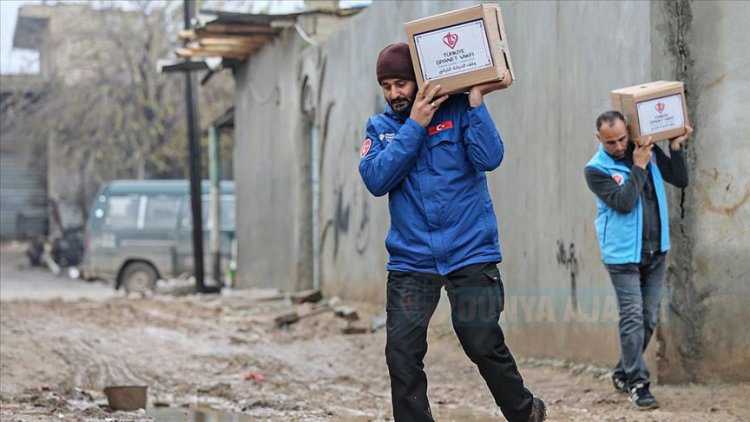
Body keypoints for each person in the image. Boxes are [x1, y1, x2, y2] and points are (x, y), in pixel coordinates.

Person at [358, 42, 546, 422]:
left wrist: (476, 102)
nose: (395, 93)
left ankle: (525, 413)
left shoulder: (460, 112)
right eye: (387, 86)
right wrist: (415, 125)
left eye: (401, 84)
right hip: (412, 259)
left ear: (420, 81)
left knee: (481, 341)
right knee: (402, 353)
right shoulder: (380, 128)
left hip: (469, 250)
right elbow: (377, 180)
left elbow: (489, 158)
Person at [584, 110, 692, 410]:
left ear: (628, 131)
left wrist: (674, 147)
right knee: (632, 317)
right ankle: (638, 383)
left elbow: (680, 179)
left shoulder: (647, 149)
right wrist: (639, 167)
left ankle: (622, 372)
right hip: (621, 256)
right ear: (599, 139)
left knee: (648, 319)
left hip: (656, 250)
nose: (618, 146)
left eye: (621, 139)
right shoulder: (595, 169)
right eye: (610, 142)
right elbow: (623, 202)